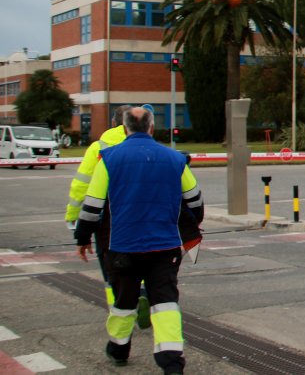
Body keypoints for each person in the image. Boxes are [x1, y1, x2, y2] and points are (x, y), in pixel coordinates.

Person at [75, 107, 204, 374]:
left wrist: (83, 237)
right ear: (152, 127)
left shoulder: (108, 159)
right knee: (166, 302)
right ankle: (172, 362)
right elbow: (194, 200)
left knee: (124, 300)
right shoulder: (174, 159)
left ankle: (119, 349)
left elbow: (92, 206)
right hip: (165, 246)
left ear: (125, 129)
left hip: (123, 245)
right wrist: (193, 224)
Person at [65, 104, 134, 310]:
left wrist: (73, 216)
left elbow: (81, 186)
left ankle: (118, 308)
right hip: (143, 216)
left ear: (113, 122)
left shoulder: (98, 148)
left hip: (108, 219)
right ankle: (140, 294)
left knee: (110, 264)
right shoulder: (148, 146)